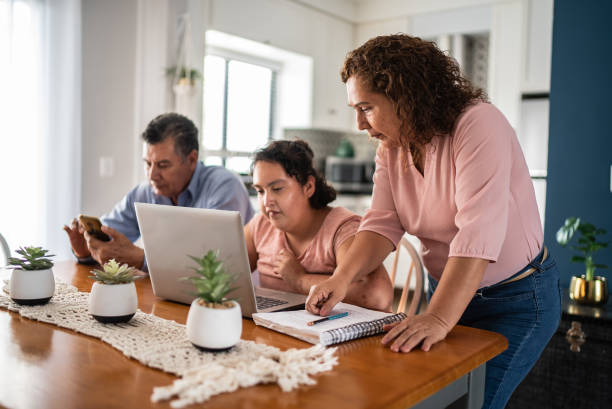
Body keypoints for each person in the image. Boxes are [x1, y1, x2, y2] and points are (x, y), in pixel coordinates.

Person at [305, 34, 561, 409]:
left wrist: (439, 318)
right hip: (445, 290)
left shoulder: (479, 124)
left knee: (471, 403)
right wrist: (340, 279)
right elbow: (380, 225)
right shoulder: (391, 147)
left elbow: (478, 232)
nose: (359, 123)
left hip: (516, 300)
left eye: (366, 108)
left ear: (405, 96)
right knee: (430, 397)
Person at [63, 112, 254, 270]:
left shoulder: (224, 187)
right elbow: (108, 240)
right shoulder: (144, 193)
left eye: (163, 165)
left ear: (192, 159)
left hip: (229, 302)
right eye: (148, 164)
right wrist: (86, 251)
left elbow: (212, 264)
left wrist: (142, 259)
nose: (152, 175)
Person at [245, 139, 393, 311]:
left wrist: (300, 280)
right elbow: (224, 272)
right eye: (260, 191)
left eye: (277, 189)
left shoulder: (342, 229)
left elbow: (376, 296)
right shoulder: (261, 225)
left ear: (308, 186)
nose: (266, 201)